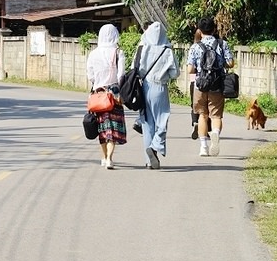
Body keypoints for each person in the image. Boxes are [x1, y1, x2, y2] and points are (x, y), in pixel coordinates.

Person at [187, 16, 234, 157]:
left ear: (200, 31)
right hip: (217, 84)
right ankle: (215, 133)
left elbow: (190, 69)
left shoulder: (195, 47)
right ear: (214, 30)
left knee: (202, 115)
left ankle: (203, 147)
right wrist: (220, 65)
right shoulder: (222, 44)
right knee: (216, 116)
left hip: (200, 85)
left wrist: (201, 70)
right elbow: (231, 63)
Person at [135, 22, 179, 169]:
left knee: (147, 124)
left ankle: (149, 161)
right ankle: (154, 147)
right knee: (162, 120)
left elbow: (134, 68)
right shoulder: (167, 50)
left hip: (143, 87)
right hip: (159, 87)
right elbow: (175, 73)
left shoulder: (142, 47)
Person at [85, 24, 127, 169]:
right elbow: (121, 74)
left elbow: (90, 75)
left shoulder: (93, 54)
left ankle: (104, 157)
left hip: (98, 94)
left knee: (102, 127)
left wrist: (97, 82)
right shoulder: (118, 52)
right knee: (113, 127)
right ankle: (109, 157)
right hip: (114, 93)